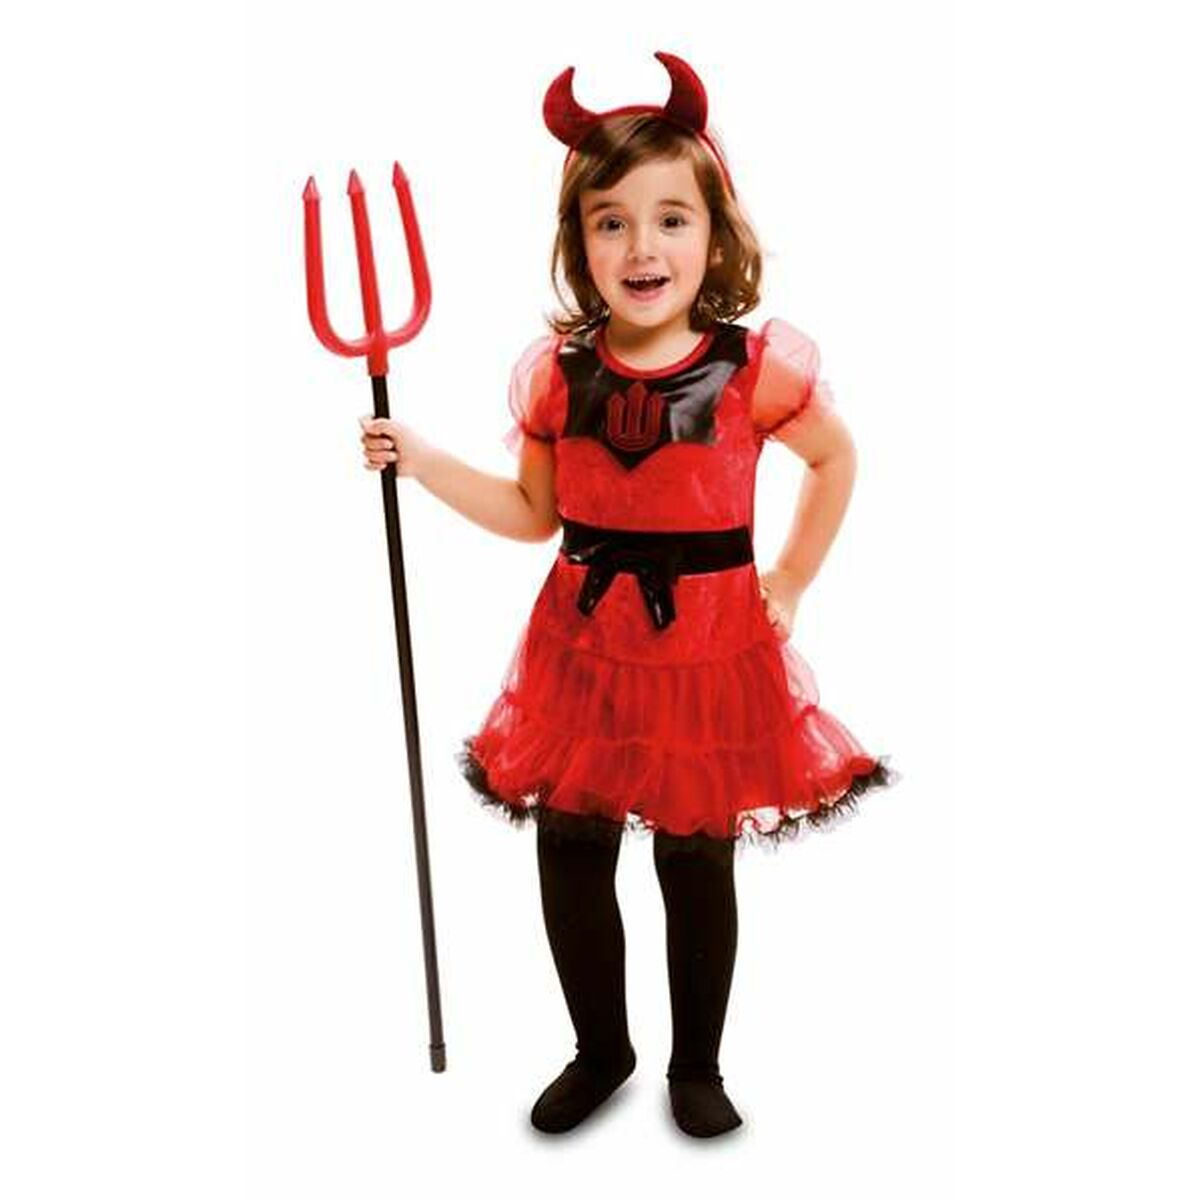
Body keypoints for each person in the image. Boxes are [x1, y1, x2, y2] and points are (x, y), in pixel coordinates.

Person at [358, 51, 898, 1139]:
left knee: (695, 856)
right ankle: (600, 1049)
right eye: (611, 223)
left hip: (707, 651)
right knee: (570, 849)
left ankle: (696, 1065)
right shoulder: (562, 376)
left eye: (669, 219)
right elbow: (533, 513)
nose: (642, 247)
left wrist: (790, 577)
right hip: (583, 649)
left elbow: (836, 459)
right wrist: (420, 459)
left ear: (715, 234)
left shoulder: (751, 371)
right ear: (579, 244)